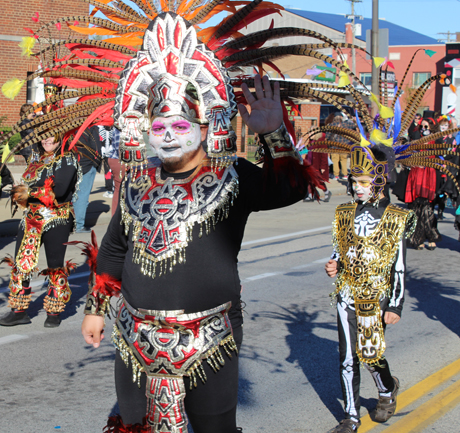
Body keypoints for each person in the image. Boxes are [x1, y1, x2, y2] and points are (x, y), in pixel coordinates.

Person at [78, 11, 324, 433]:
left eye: (179, 124)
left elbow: (290, 190)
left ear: (204, 124)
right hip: (136, 337)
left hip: (210, 337)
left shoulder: (234, 176)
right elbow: (116, 249)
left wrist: (274, 134)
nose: (168, 134)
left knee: (214, 428)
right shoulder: (138, 181)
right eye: (159, 125)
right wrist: (96, 309)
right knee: (134, 425)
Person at [325, 145, 417, 433]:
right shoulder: (344, 213)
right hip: (346, 294)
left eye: (363, 181)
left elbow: (399, 266)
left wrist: (395, 305)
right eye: (353, 181)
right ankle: (351, 416)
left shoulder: (395, 217)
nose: (357, 187)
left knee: (370, 354)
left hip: (377, 297)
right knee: (347, 357)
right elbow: (342, 249)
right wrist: (335, 265)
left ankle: (387, 389)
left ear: (379, 180)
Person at [0, 134, 80, 327]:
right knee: (21, 263)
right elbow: (28, 184)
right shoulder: (37, 158)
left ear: (61, 138)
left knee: (54, 265)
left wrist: (29, 192)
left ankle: (53, 312)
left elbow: (59, 191)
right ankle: (18, 311)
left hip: (56, 218)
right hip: (31, 218)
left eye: (51, 137)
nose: (46, 141)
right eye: (43, 138)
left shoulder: (67, 159)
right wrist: (20, 194)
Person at [404, 118, 442, 250]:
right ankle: (417, 238)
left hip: (429, 175)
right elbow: (406, 154)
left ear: (432, 127)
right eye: (422, 127)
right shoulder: (415, 139)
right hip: (416, 175)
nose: (423, 129)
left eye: (426, 127)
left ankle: (431, 236)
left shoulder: (437, 140)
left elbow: (442, 157)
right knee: (416, 208)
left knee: (427, 208)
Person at [73, 125, 101, 233]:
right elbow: (96, 147)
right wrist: (96, 163)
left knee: (73, 194)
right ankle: (79, 225)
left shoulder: (68, 125)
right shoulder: (91, 127)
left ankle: (72, 223)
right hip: (87, 164)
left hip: (72, 163)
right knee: (82, 195)